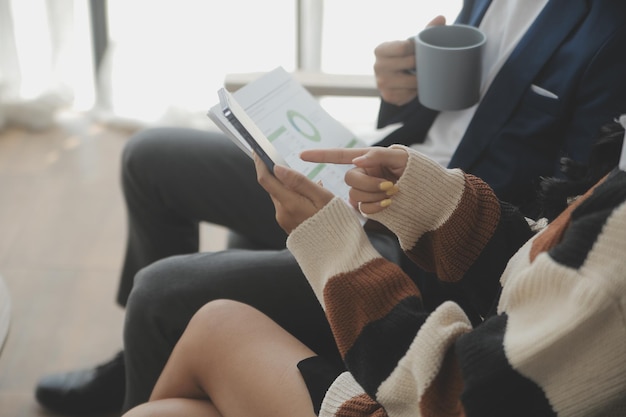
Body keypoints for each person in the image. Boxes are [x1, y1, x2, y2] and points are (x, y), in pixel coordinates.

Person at [34, 0, 626, 414]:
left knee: (164, 293)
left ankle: (149, 350)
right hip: (393, 171)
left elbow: (557, 211)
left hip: (432, 244)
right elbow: (466, 114)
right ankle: (131, 361)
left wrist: (388, 210)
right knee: (150, 156)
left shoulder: (611, 33)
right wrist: (404, 90)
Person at [121, 117, 626, 417]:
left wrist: (331, 245)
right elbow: (551, 271)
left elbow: (449, 393)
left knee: (208, 326)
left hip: (434, 393)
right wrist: (435, 201)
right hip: (475, 366)